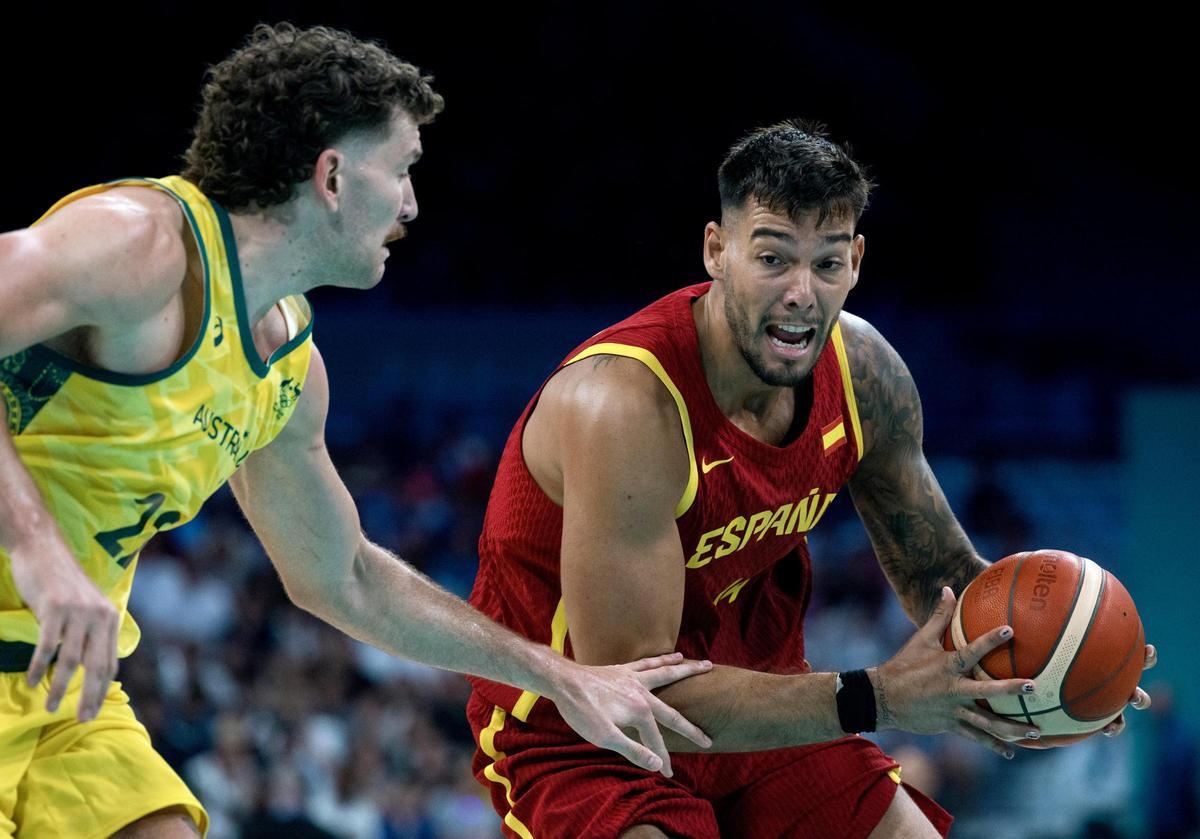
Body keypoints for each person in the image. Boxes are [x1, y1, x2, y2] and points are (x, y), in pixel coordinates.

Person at [0, 23, 711, 838]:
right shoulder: (142, 244)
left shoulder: (287, 371)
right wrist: (37, 547)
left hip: (62, 701)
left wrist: (561, 677)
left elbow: (344, 577)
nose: (412, 203)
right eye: (403, 168)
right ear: (331, 175)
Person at [464, 120, 1156, 838]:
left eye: (826, 264)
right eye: (772, 258)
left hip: (763, 708)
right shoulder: (626, 406)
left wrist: (1058, 660)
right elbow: (638, 695)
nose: (801, 292)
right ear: (716, 252)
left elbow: (942, 577)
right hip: (583, 734)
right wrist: (878, 696)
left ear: (855, 261)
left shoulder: (864, 373)